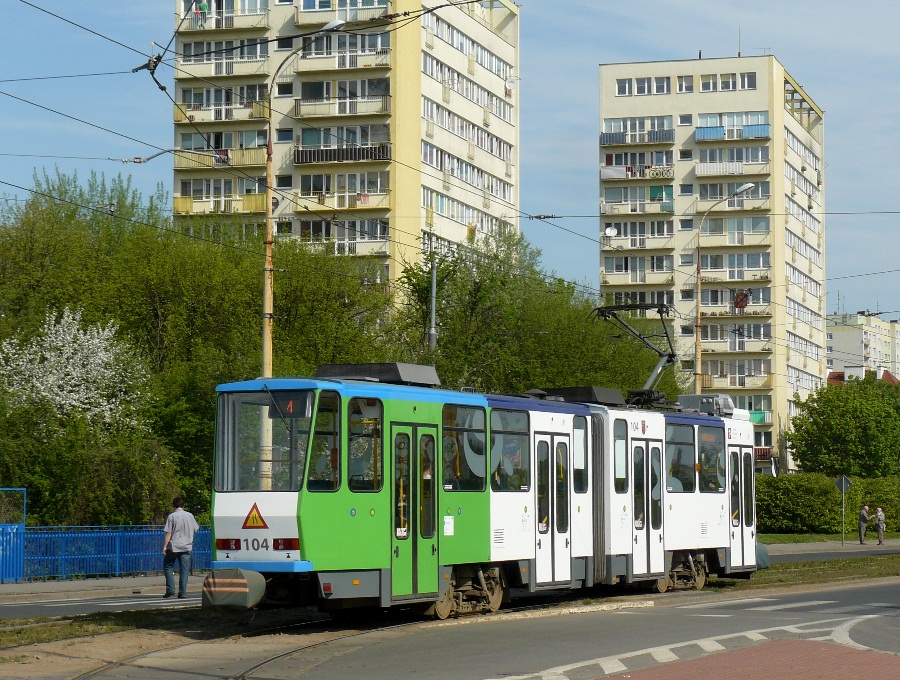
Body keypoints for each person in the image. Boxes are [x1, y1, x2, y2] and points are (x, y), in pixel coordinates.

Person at [163, 497, 200, 599]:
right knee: (184, 570)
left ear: (173, 505)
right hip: (187, 546)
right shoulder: (190, 515)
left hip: (174, 546)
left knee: (168, 566)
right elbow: (196, 528)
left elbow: (168, 533)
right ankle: (182, 593)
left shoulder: (172, 516)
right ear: (183, 505)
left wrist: (165, 546)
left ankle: (170, 589)